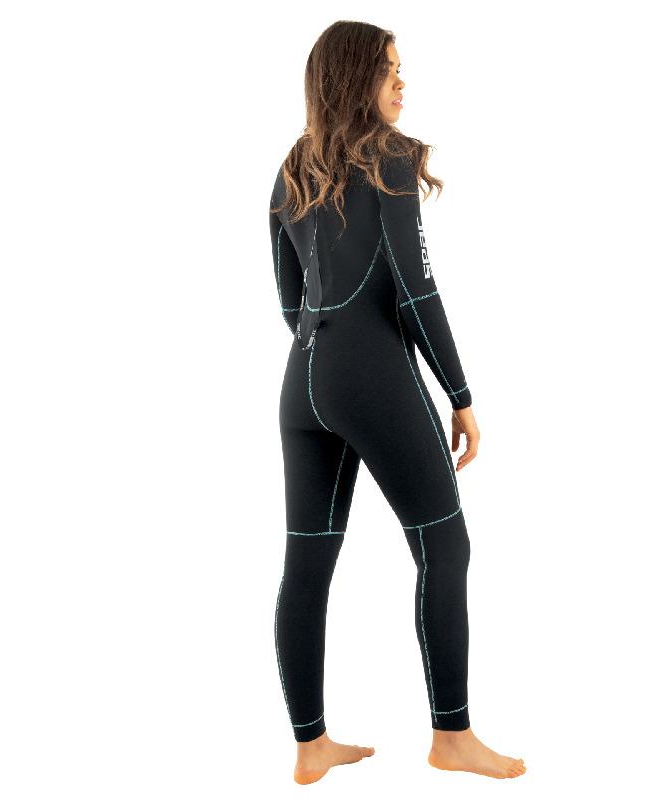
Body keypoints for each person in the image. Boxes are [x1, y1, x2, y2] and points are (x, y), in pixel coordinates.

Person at [269, 21, 526, 785]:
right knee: (445, 548)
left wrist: (330, 360)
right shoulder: (389, 157)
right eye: (388, 69)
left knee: (307, 561)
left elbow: (289, 299)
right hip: (371, 375)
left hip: (302, 381)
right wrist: (461, 395)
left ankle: (310, 746)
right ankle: (453, 737)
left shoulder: (290, 169)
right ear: (356, 79)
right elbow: (416, 291)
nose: (401, 82)